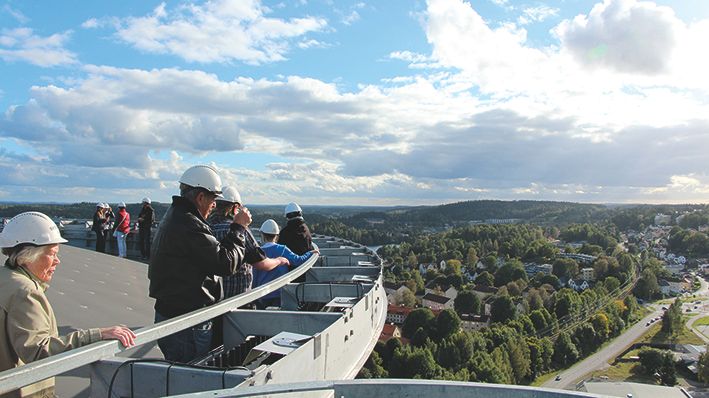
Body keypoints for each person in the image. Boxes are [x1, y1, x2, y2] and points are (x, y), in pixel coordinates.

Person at [0, 212, 136, 398]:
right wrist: (98, 335)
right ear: (28, 256)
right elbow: (39, 351)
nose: (58, 261)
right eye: (52, 254)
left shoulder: (5, 279)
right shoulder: (25, 292)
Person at [148, 165, 250, 363]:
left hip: (173, 314)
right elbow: (225, 263)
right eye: (213, 199)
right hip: (188, 322)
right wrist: (238, 228)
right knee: (192, 377)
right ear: (200, 197)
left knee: (179, 372)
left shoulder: (176, 217)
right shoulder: (190, 224)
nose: (214, 205)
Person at [207, 186, 288, 299]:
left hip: (211, 300)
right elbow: (262, 263)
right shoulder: (239, 230)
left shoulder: (205, 228)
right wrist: (279, 260)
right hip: (237, 299)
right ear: (235, 208)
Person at [252, 219, 319, 309]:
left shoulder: (258, 252)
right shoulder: (282, 249)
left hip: (262, 295)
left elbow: (254, 277)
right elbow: (298, 260)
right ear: (276, 236)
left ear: (262, 235)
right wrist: (311, 253)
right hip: (280, 293)